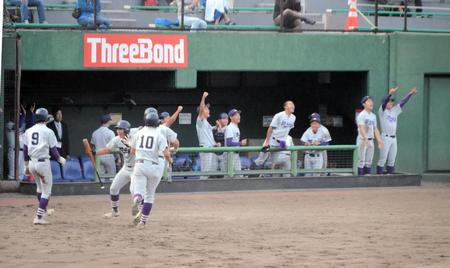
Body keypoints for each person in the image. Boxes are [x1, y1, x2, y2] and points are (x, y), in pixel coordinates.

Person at [23, 108, 66, 225]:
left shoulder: (28, 131)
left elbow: (25, 150)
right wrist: (59, 159)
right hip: (43, 163)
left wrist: (25, 166)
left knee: (40, 189)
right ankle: (38, 217)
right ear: (45, 119)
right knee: (46, 192)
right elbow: (53, 150)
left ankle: (44, 210)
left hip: (32, 163)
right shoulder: (48, 131)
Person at [130, 112, 172, 229]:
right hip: (154, 166)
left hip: (139, 164)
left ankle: (137, 198)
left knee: (138, 190)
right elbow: (166, 153)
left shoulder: (138, 133)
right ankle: (142, 222)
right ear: (157, 123)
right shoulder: (159, 135)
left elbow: (132, 151)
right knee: (150, 195)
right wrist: (170, 160)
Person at [94, 120, 136, 218]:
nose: (118, 131)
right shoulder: (117, 139)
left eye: (120, 129)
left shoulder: (135, 138)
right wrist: (95, 152)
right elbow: (108, 149)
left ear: (126, 130)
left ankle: (139, 213)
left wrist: (129, 146)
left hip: (137, 169)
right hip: (126, 168)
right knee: (113, 188)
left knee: (134, 191)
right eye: (117, 129)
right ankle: (115, 211)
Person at [377, 87, 417, 175]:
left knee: (392, 160)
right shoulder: (382, 111)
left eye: (392, 101)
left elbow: (403, 102)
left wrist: (410, 93)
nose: (391, 102)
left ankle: (390, 177)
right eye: (389, 101)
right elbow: (384, 104)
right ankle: (379, 179)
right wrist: (390, 94)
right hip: (385, 137)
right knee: (382, 159)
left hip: (393, 138)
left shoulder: (395, 110)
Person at [356, 96, 384, 176]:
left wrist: (379, 140)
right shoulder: (361, 115)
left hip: (370, 140)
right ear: (364, 104)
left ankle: (367, 178)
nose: (371, 102)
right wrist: (365, 139)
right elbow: (361, 128)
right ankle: (360, 179)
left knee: (369, 161)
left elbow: (375, 129)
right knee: (361, 161)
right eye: (368, 101)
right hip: (362, 140)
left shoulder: (373, 116)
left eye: (371, 101)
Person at [196, 92, 221, 179]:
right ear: (202, 111)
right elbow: (202, 108)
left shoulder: (206, 122)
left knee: (208, 171)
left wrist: (217, 126)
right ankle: (201, 190)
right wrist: (203, 97)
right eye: (206, 109)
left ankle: (204, 189)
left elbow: (210, 131)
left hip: (210, 148)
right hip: (205, 148)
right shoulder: (200, 120)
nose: (208, 110)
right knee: (205, 172)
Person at [224, 109, 247, 177]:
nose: (238, 116)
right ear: (231, 117)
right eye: (236, 115)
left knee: (239, 175)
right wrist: (240, 143)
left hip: (236, 154)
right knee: (229, 175)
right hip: (230, 154)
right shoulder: (230, 128)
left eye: (239, 115)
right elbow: (229, 143)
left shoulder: (236, 127)